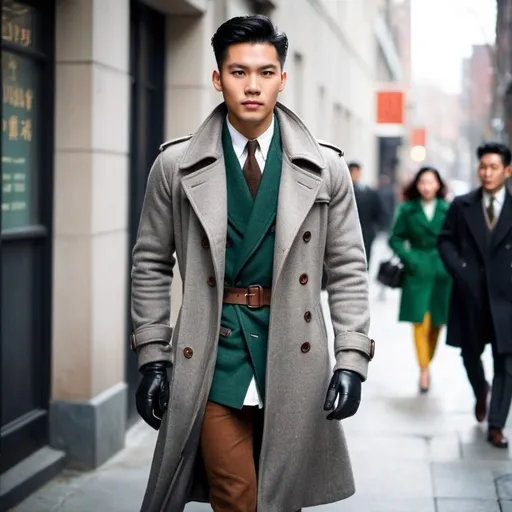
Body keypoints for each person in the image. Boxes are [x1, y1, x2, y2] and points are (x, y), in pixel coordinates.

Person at [130, 15, 375, 512]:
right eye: (239, 73)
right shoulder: (175, 166)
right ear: (218, 78)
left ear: (283, 79)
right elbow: (150, 263)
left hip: (294, 356)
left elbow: (349, 267)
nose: (253, 86)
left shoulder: (325, 167)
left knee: (281, 500)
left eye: (266, 73)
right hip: (212, 356)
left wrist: (352, 359)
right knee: (237, 497)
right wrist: (153, 355)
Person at [438, 142, 512, 449]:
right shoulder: (462, 204)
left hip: (506, 298)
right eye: (483, 166)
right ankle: (481, 388)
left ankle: (496, 425)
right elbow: (445, 241)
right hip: (470, 296)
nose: (487, 173)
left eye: (494, 167)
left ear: (507, 171)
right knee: (470, 354)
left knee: (506, 360)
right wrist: (461, 270)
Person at [389, 166, 452, 393]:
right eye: (423, 182)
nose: (427, 186)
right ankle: (424, 370)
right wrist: (410, 258)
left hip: (441, 273)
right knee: (419, 323)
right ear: (417, 185)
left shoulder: (448, 209)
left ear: (438, 185)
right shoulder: (407, 210)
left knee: (437, 324)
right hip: (416, 273)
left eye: (431, 182)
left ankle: (427, 363)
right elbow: (395, 238)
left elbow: (458, 239)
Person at [348, 161, 386, 267]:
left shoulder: (369, 193)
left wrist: (376, 229)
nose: (355, 175)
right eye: (353, 172)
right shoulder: (344, 192)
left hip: (366, 233)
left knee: (364, 263)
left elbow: (378, 212)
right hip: (348, 233)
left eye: (357, 172)